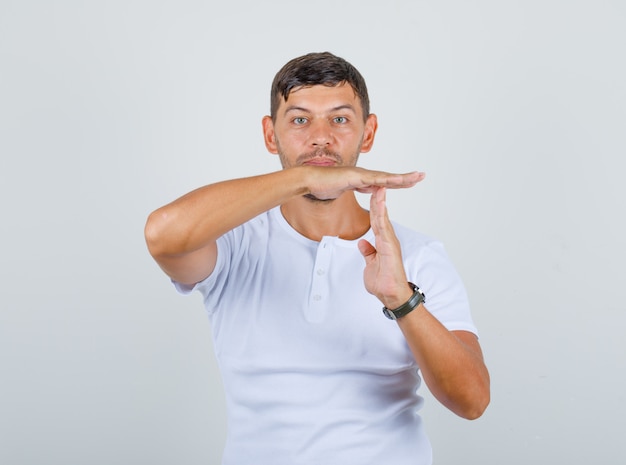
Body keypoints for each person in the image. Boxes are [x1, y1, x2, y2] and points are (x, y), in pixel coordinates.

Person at [144, 51, 490, 465]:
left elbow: (472, 401)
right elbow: (162, 235)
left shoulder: (418, 255)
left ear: (368, 132)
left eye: (340, 119)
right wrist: (307, 176)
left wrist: (402, 299)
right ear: (271, 135)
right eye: (300, 120)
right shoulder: (232, 245)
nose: (320, 137)